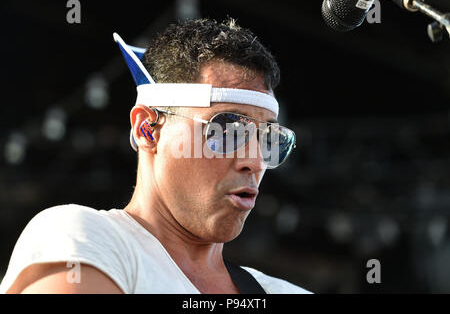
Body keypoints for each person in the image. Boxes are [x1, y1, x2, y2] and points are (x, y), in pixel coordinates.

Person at [0, 18, 311, 294]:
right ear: (148, 128)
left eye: (268, 138)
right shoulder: (82, 238)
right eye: (226, 130)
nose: (255, 161)